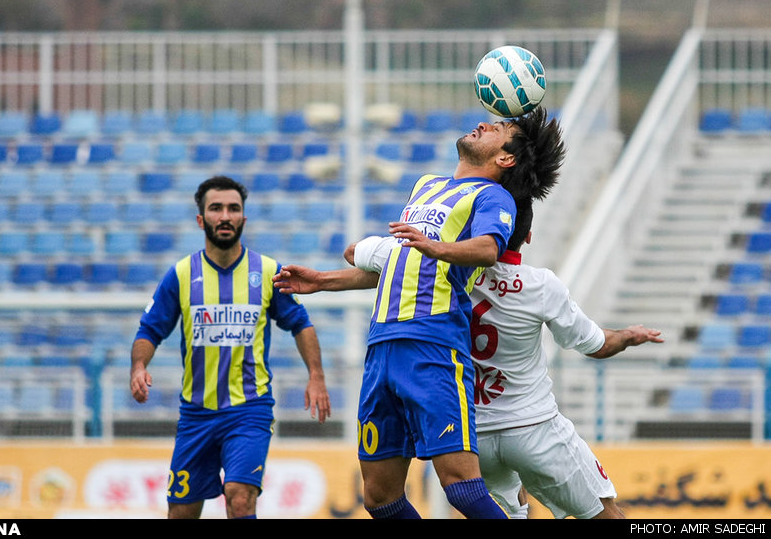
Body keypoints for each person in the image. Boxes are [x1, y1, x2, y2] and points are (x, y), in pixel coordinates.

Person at [274, 107, 565, 519]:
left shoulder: (493, 197)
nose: (483, 124)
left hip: (433, 347)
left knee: (462, 489)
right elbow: (402, 263)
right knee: (379, 497)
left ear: (506, 158)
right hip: (381, 348)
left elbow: (487, 249)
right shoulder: (427, 185)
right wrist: (323, 280)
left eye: (497, 129)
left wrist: (435, 247)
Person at [347, 197, 664, 519]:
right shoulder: (540, 285)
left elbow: (353, 252)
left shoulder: (438, 268)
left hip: (470, 434)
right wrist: (626, 336)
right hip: (533, 429)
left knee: (511, 511)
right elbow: (596, 345)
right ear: (527, 236)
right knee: (605, 513)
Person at [130, 175, 331, 519]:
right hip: (196, 413)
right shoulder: (181, 274)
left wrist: (316, 376)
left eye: (233, 209)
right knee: (180, 511)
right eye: (216, 208)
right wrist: (138, 366)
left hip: (249, 410)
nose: (225, 216)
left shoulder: (267, 271)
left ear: (243, 218)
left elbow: (301, 323)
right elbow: (150, 329)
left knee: (240, 498)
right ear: (200, 219)